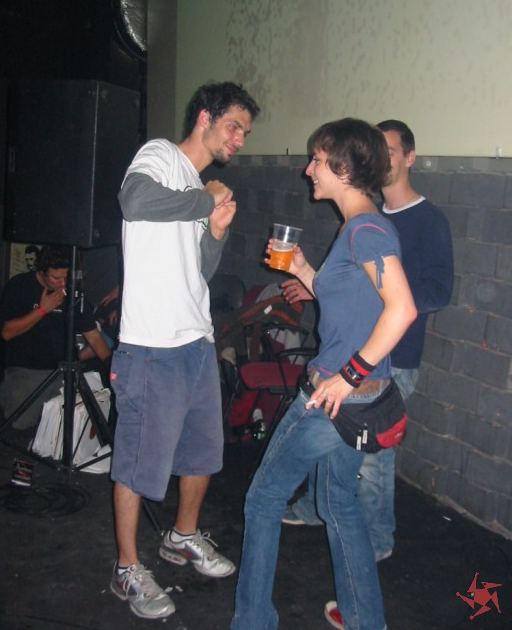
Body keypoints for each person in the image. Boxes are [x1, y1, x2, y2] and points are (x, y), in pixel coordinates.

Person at [230, 118, 417, 630]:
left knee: (263, 498)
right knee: (338, 505)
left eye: (317, 160)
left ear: (344, 169)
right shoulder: (360, 226)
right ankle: (364, 619)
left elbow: (401, 308)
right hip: (356, 402)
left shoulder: (366, 230)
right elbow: (354, 300)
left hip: (333, 399)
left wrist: (348, 375)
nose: (308, 169)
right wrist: (302, 271)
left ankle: (252, 622)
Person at [281, 120, 454, 629]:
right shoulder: (363, 215)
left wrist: (384, 297)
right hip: (357, 360)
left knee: (373, 463)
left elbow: (430, 294)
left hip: (390, 358)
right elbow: (354, 288)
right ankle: (329, 523)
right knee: (340, 467)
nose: (383, 156)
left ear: (408, 157)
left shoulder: (418, 221)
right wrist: (313, 277)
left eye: (390, 149)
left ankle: (374, 547)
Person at [109, 81, 260, 620]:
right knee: (136, 463)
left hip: (196, 339)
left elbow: (200, 271)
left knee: (202, 453)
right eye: (233, 126)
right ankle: (127, 567)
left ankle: (182, 535)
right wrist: (205, 201)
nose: (238, 139)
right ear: (204, 118)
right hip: (151, 345)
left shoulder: (199, 188)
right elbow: (133, 201)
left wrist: (214, 233)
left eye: (244, 132)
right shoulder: (160, 156)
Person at [0, 245, 112, 429]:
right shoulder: (19, 285)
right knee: (21, 422)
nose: (63, 284)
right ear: (41, 272)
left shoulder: (73, 293)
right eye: (56, 278)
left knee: (82, 417)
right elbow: (7, 332)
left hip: (62, 369)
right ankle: (0, 394)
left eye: (66, 277)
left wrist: (112, 366)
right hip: (26, 369)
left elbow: (94, 337)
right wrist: (43, 310)